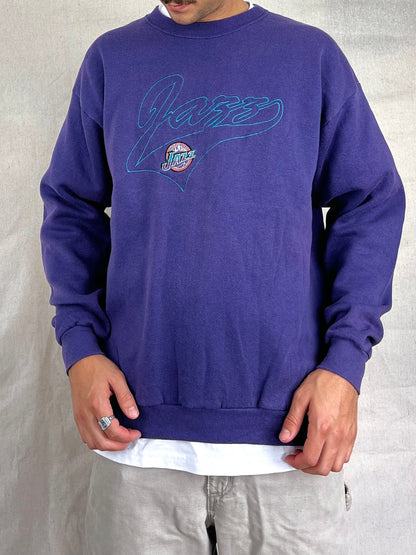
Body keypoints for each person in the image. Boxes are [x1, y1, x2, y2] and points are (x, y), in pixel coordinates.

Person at [40, 0, 405, 553]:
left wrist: (345, 366)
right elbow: (71, 207)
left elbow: (370, 202)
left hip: (291, 444)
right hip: (137, 442)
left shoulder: (309, 57)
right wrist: (80, 348)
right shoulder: (113, 59)